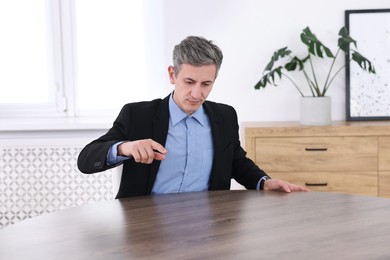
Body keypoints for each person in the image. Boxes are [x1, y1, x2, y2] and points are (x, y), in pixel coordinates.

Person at [77, 36, 309, 198]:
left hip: (210, 221)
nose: (197, 94)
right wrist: (124, 148)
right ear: (172, 74)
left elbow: (236, 163)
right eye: (189, 82)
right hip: (145, 222)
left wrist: (264, 182)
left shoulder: (225, 116)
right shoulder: (138, 115)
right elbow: (86, 161)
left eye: (206, 84)